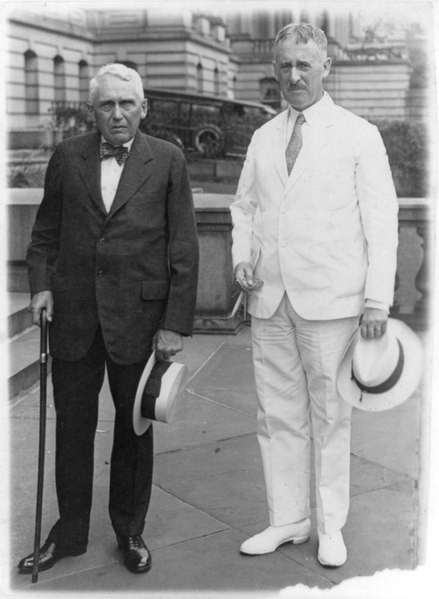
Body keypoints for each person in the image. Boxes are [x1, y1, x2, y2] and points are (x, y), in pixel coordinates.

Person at [19, 63, 199, 575]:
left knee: (134, 430)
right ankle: (69, 533)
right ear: (92, 110)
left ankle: (130, 531)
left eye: (126, 104)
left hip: (138, 320)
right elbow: (44, 234)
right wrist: (42, 286)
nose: (117, 114)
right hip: (74, 316)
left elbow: (183, 247)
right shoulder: (67, 155)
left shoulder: (167, 160)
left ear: (144, 108)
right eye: (106, 105)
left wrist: (172, 324)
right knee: (72, 429)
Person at [231, 23, 398, 567]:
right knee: (276, 414)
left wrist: (377, 300)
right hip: (271, 301)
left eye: (304, 64)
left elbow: (382, 220)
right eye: (285, 65)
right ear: (274, 69)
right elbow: (246, 209)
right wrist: (240, 259)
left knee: (330, 415)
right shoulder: (263, 136)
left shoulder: (358, 133)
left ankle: (330, 527)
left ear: (327, 67)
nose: (294, 75)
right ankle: (287, 518)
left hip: (333, 303)